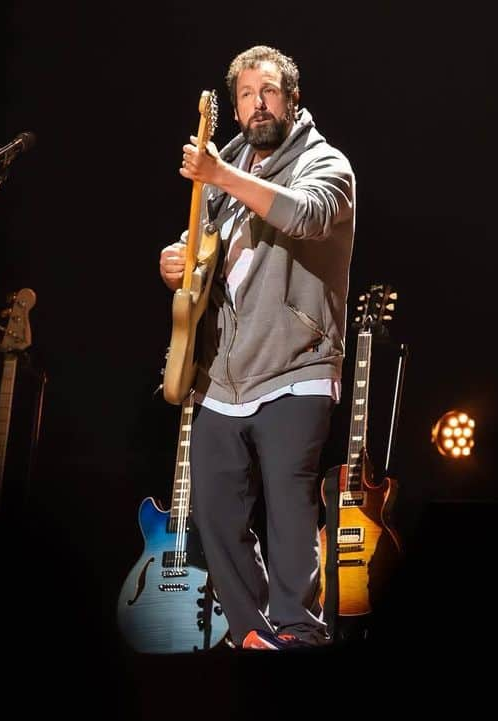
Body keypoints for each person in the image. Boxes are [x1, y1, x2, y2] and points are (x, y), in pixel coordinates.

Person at [159, 45, 355, 650]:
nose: (257, 105)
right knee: (214, 511)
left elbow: (307, 215)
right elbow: (204, 245)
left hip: (298, 363)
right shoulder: (231, 165)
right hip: (225, 372)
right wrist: (175, 261)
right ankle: (252, 632)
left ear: (292, 100)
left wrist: (220, 175)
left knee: (290, 507)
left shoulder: (325, 162)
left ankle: (300, 631)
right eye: (246, 95)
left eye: (268, 91)